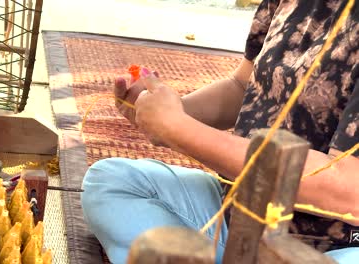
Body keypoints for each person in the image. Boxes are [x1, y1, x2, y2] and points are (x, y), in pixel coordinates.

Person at [81, 0, 359, 263]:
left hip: (336, 248)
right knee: (111, 181)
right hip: (238, 215)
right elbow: (243, 86)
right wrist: (167, 110)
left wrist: (179, 130)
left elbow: (348, 190)